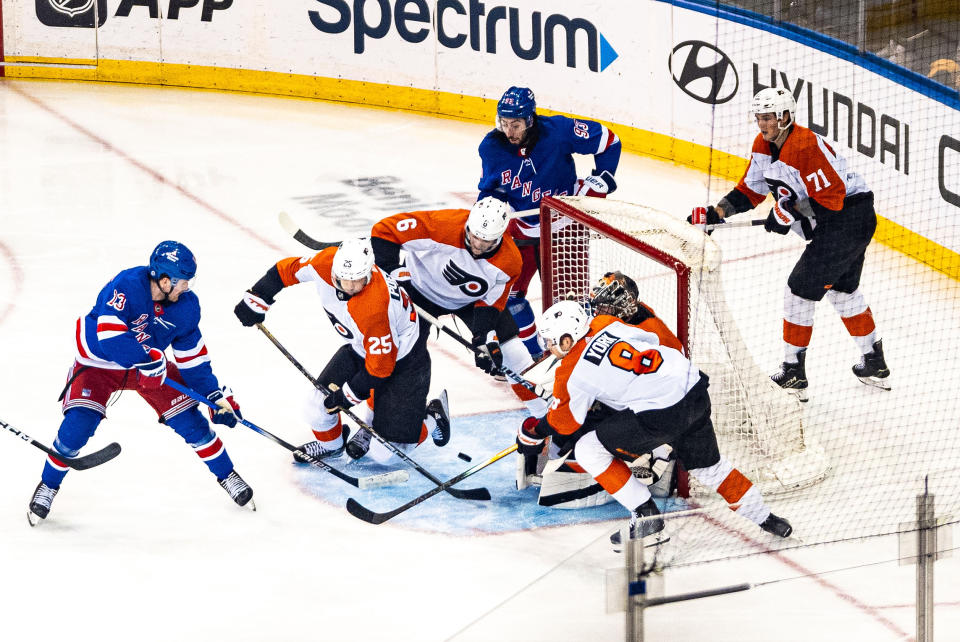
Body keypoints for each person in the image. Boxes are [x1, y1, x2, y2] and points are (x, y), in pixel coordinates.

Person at [518, 300, 793, 547]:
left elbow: (565, 423)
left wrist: (534, 431)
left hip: (661, 414)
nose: (549, 348)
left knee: (589, 448)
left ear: (567, 340)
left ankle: (646, 516)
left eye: (551, 341)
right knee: (710, 468)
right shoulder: (605, 322)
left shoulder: (569, 373)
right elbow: (652, 339)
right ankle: (765, 518)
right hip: (694, 389)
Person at [27, 241, 251, 526]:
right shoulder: (127, 285)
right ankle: (48, 485)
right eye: (183, 281)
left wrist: (214, 395)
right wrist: (146, 358)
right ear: (165, 279)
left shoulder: (186, 307)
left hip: (149, 368)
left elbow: (193, 359)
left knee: (190, 420)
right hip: (100, 363)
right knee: (77, 428)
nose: (187, 287)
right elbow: (109, 337)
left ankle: (227, 474)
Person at [689, 87, 890, 400]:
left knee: (798, 291)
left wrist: (789, 211)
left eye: (768, 117)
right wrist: (718, 212)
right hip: (843, 222)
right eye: (759, 117)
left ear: (785, 117)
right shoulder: (762, 145)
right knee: (842, 291)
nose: (762, 124)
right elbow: (750, 191)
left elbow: (832, 199)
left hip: (848, 218)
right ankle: (875, 362)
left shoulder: (805, 145)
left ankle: (794, 373)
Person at [233, 238, 450, 463]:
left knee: (387, 455)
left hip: (404, 361)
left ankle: (433, 416)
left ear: (368, 273)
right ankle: (332, 446)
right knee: (315, 407)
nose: (348, 286)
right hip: (363, 349)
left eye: (356, 281)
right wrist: (257, 297)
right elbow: (286, 270)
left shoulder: (374, 306)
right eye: (343, 279)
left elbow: (380, 368)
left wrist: (347, 396)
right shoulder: (325, 263)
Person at [369, 197, 550, 424]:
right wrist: (396, 275)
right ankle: (373, 420)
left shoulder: (510, 261)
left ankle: (547, 416)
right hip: (417, 290)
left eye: (487, 242)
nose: (478, 245)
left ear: (502, 235)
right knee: (395, 354)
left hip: (469, 301)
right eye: (474, 237)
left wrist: (485, 336)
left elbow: (492, 303)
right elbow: (384, 231)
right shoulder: (444, 225)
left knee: (514, 353)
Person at [477, 86, 622, 360]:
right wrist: (487, 211)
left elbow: (609, 141)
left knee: (569, 305)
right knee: (508, 296)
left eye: (516, 125)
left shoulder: (558, 131)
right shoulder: (491, 147)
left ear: (530, 120)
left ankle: (574, 358)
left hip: (565, 229)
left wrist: (604, 178)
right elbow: (492, 190)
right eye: (504, 124)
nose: (509, 132)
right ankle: (537, 356)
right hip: (521, 229)